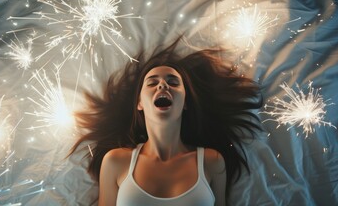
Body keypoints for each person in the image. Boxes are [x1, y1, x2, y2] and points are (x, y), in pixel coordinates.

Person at [70, 41, 262, 206]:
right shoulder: (116, 161)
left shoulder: (212, 161)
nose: (163, 85)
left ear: (185, 102)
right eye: (152, 83)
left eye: (173, 82)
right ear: (139, 103)